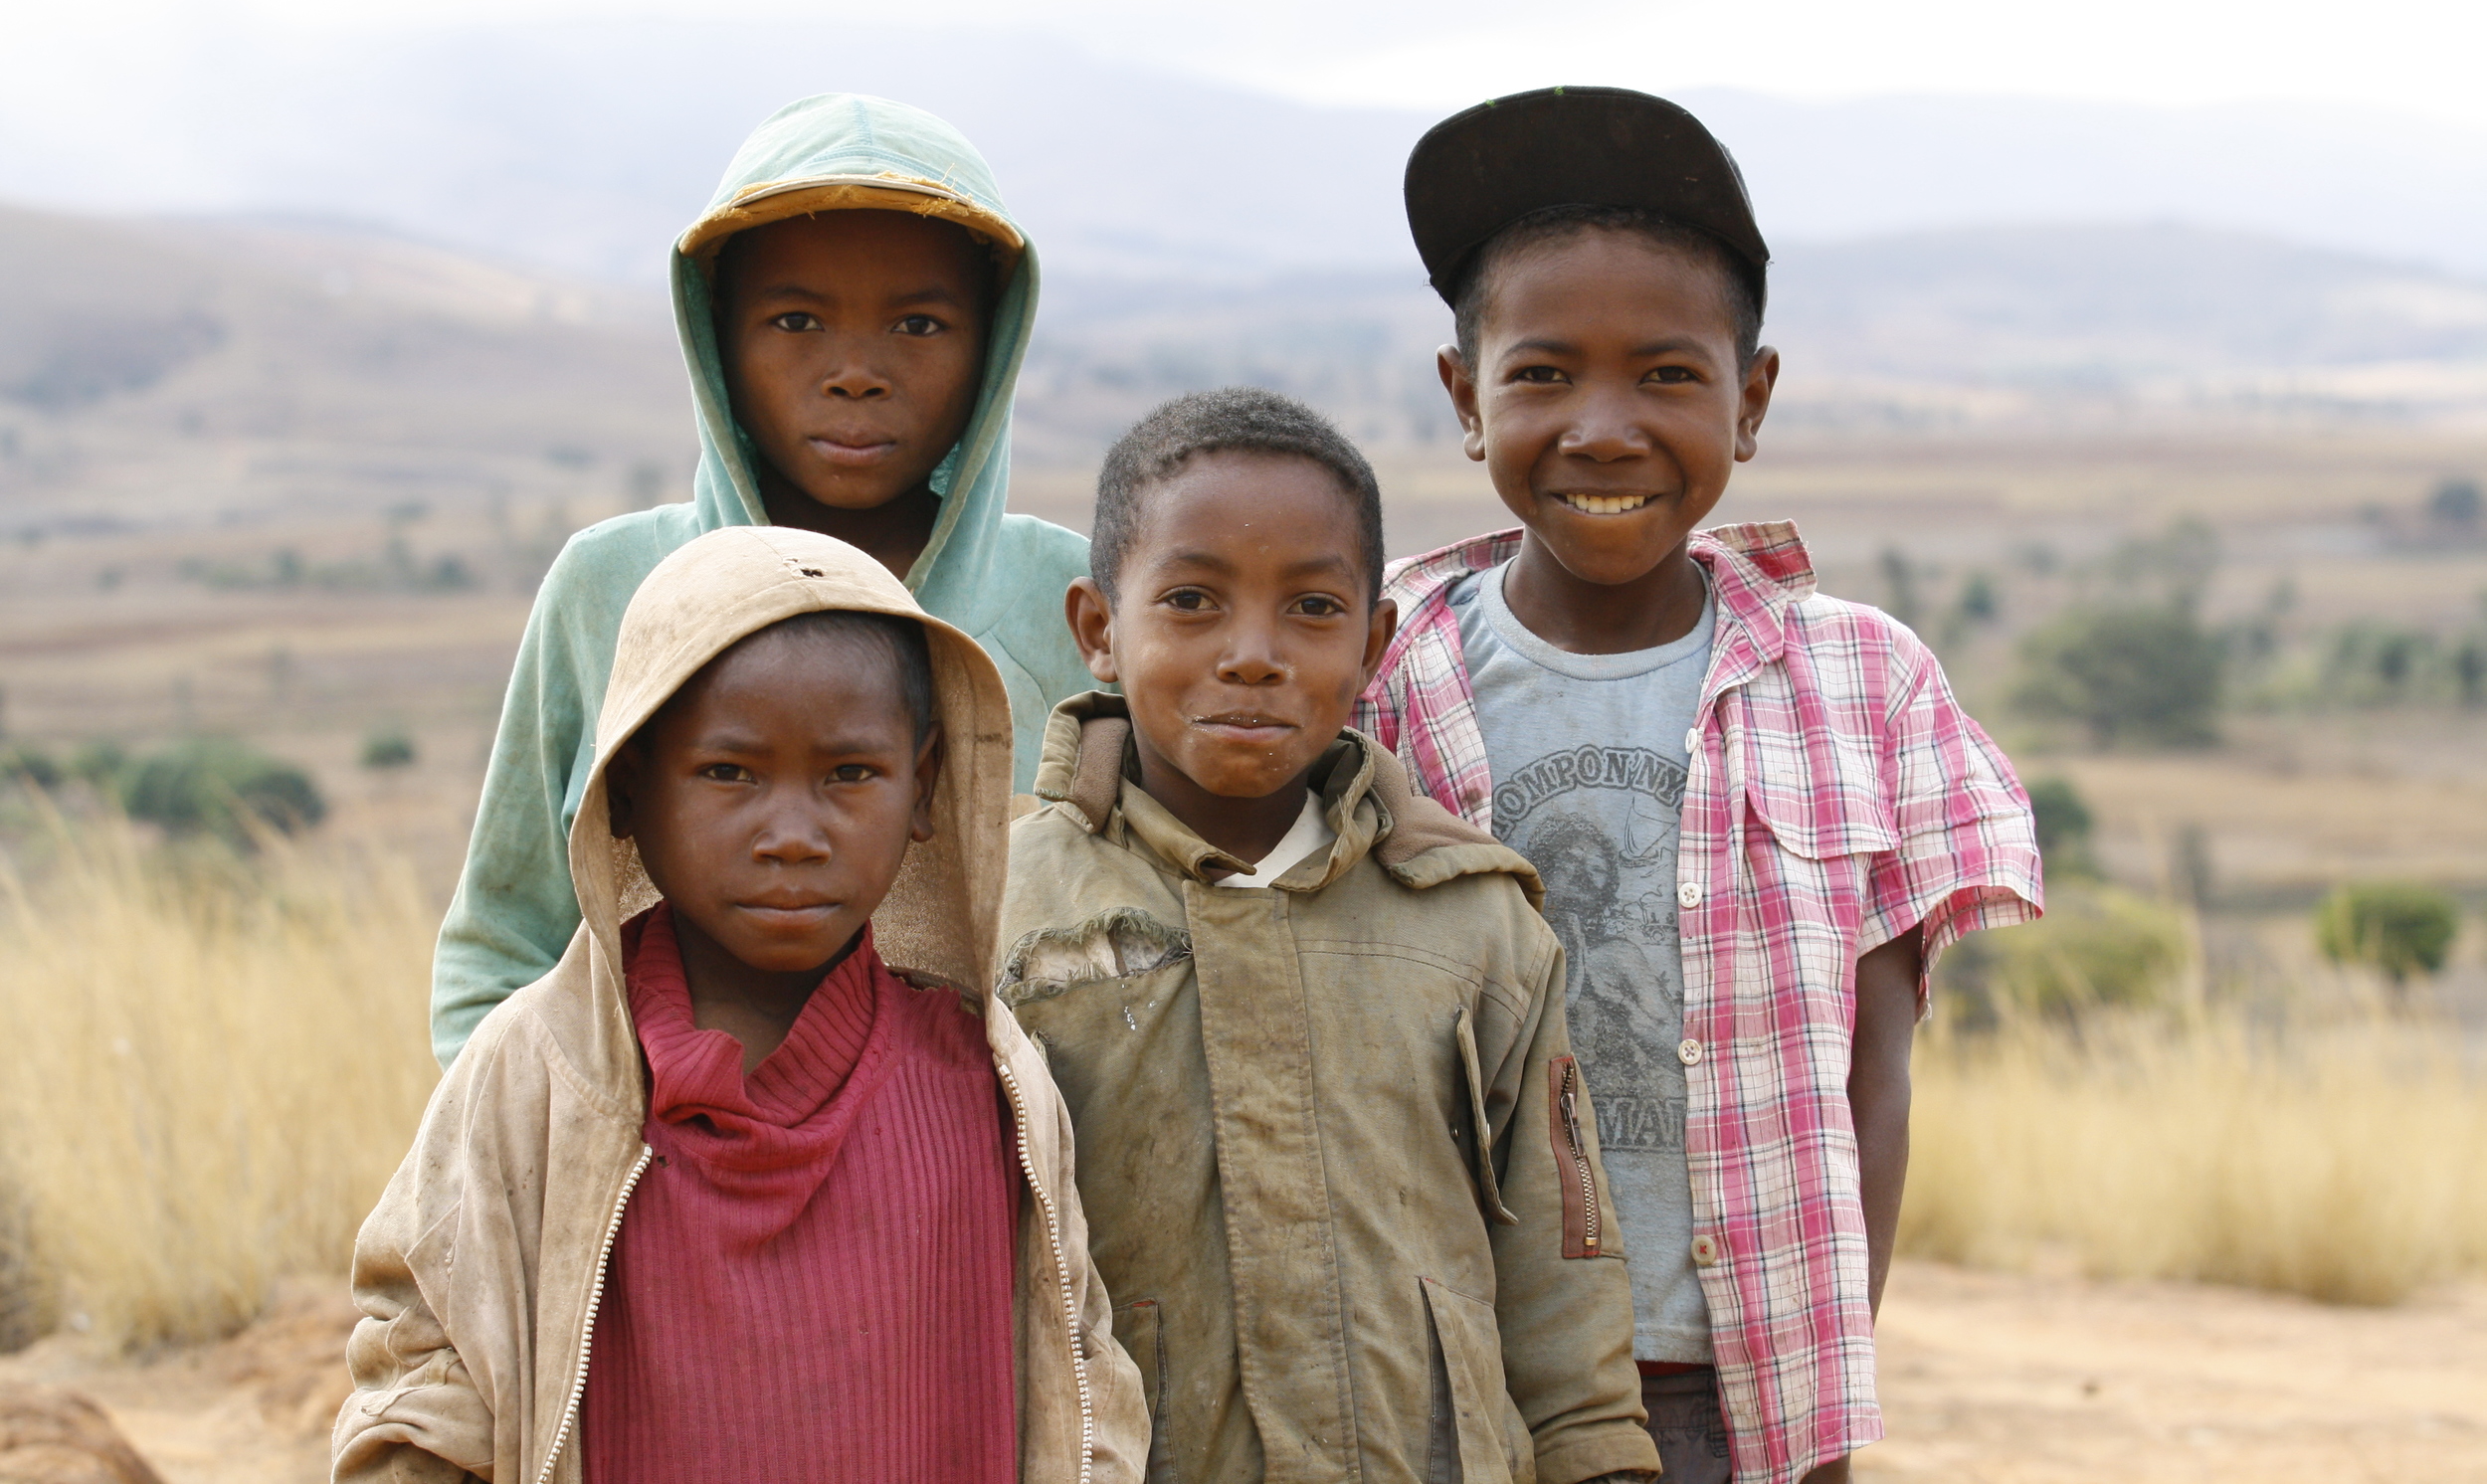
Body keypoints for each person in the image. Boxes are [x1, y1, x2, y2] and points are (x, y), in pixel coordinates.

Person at [1356, 88, 2043, 1484]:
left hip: (1734, 1396)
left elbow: (1878, 1067)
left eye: (1667, 375)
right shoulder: (1370, 672)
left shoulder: (1866, 683)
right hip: (1443, 1382)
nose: (1603, 427)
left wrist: (1822, 1386)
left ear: (1753, 399)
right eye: (1542, 372)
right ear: (1462, 397)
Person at [334, 525, 1147, 1484]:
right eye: (729, 773)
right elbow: (424, 1379)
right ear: (630, 788)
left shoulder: (989, 1079)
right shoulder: (540, 1076)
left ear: (923, 786)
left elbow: (1080, 1369)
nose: (793, 834)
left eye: (850, 773)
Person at [1000, 389, 1662, 1484]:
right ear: (1097, 631)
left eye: (1310, 608)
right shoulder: (1002, 917)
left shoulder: (1474, 918)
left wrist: (1598, 1458)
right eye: (1192, 601)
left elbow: (1561, 1263)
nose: (1252, 654)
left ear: (1372, 642)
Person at [430, 93, 1096, 1066]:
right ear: (719, 344)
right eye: (794, 320)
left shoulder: (1078, 599)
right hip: (670, 1196)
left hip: (988, 1198)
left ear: (991, 348)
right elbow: (500, 950)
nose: (856, 371)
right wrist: (541, 1165)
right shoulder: (609, 586)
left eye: (919, 323)